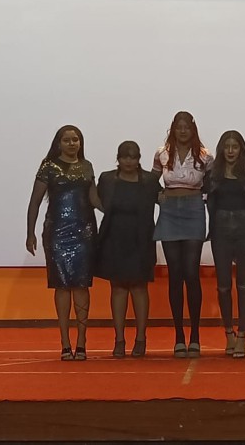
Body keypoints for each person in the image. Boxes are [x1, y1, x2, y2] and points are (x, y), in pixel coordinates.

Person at [26, 125, 102, 361]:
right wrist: (30, 233)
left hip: (85, 232)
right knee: (61, 285)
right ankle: (65, 343)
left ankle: (82, 342)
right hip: (57, 233)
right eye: (67, 140)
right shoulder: (48, 166)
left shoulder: (87, 166)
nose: (72, 143)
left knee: (81, 284)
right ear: (58, 143)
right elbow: (35, 202)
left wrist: (121, 210)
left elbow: (94, 199)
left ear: (81, 142)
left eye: (75, 139)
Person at [152, 111, 213, 358]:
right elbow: (151, 180)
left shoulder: (205, 155)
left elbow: (212, 184)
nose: (183, 131)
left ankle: (195, 335)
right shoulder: (162, 153)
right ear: (173, 129)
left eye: (187, 127)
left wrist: (206, 205)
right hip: (169, 211)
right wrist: (158, 196)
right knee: (175, 274)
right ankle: (179, 336)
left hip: (194, 209)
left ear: (193, 129)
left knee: (191, 272)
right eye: (179, 127)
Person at [96, 141, 161, 358]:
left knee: (139, 287)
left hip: (141, 239)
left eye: (133, 157)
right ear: (118, 158)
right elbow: (96, 200)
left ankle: (141, 339)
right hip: (114, 238)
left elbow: (164, 200)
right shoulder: (107, 179)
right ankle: (119, 340)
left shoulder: (150, 180)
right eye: (125, 157)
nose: (129, 161)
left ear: (139, 159)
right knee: (118, 288)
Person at [203, 130, 245, 358]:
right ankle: (228, 332)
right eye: (226, 147)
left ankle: (242, 335)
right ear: (221, 149)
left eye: (235, 147)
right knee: (223, 286)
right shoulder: (212, 176)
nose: (230, 151)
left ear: (241, 150)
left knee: (244, 286)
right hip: (221, 234)